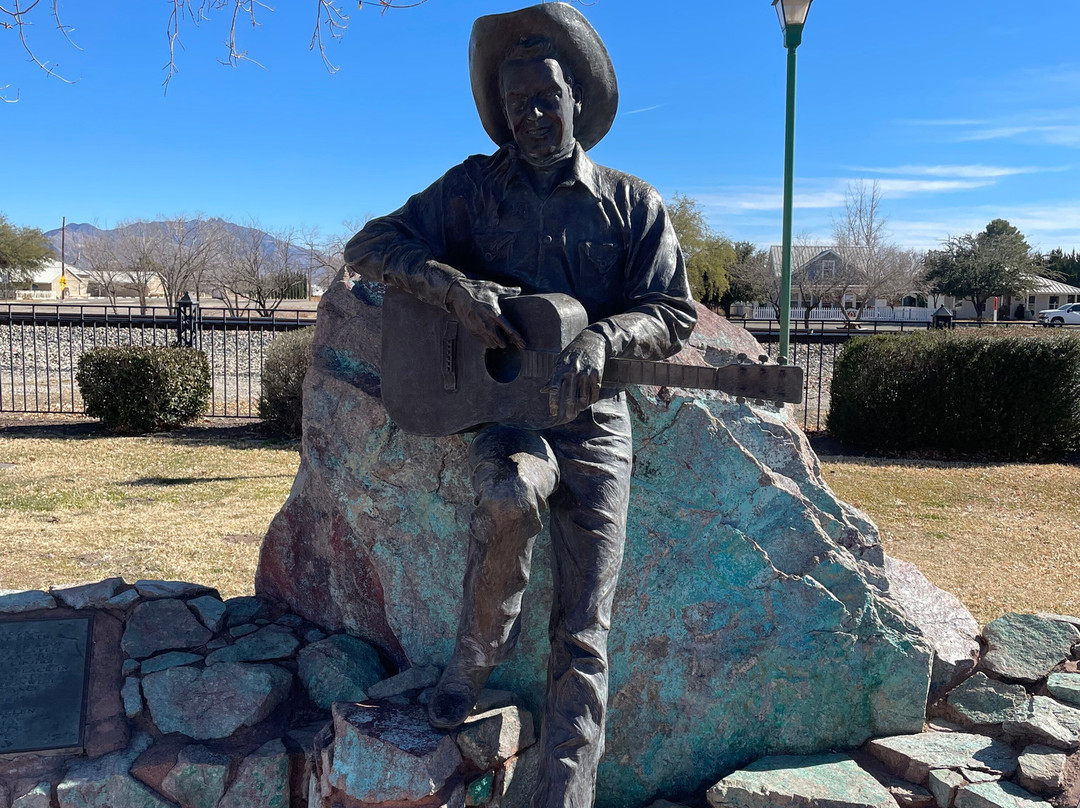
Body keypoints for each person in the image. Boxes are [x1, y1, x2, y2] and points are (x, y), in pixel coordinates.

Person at [343, 4, 696, 805]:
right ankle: (473, 656)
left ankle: (564, 795)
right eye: (516, 107)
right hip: (505, 421)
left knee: (582, 631)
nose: (532, 119)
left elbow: (671, 310)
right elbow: (369, 244)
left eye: (546, 101)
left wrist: (605, 338)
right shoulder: (470, 190)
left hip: (596, 422)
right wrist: (454, 287)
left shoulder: (632, 204)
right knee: (508, 491)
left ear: (578, 103)